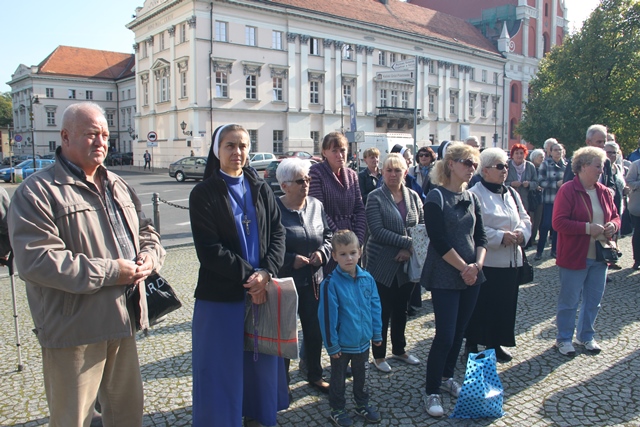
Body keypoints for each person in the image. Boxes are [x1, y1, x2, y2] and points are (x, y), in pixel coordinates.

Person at [7, 102, 166, 427]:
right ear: (65, 137)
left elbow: (147, 230)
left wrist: (151, 257)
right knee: (73, 420)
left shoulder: (117, 184)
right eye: (92, 134)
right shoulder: (37, 192)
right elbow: (37, 261)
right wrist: (113, 272)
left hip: (123, 323)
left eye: (105, 135)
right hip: (74, 332)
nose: (101, 142)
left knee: (127, 416)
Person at [189, 124, 287, 427]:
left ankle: (257, 416)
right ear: (217, 150)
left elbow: (279, 234)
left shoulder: (261, 188)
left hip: (261, 292)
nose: (237, 152)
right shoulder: (203, 193)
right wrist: (252, 277)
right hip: (221, 296)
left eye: (243, 145)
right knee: (220, 367)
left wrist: (267, 273)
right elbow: (209, 250)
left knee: (260, 364)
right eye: (230, 145)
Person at [420, 143, 487, 418]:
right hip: (445, 274)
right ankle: (431, 390)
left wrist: (476, 266)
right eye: (467, 162)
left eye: (474, 164)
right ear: (451, 164)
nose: (472, 168)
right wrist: (464, 268)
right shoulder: (435, 197)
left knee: (460, 332)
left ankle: (447, 377)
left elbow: (481, 237)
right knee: (445, 335)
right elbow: (438, 240)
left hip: (472, 274)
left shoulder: (472, 197)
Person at [465, 148, 531, 363]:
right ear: (485, 170)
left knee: (504, 305)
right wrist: (500, 237)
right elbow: (473, 228)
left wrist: (522, 233)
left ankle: (495, 343)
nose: (505, 170)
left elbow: (524, 217)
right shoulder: (475, 194)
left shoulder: (511, 192)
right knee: (481, 306)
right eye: (500, 166)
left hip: (511, 261)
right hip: (487, 262)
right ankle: (472, 343)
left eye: (506, 166)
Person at [552, 146, 620, 356]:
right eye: (597, 166)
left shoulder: (604, 191)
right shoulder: (568, 190)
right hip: (575, 255)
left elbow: (616, 216)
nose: (601, 170)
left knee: (593, 301)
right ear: (582, 166)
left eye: (602, 166)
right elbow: (558, 223)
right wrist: (588, 228)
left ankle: (586, 336)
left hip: (600, 256)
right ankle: (563, 339)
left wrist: (613, 226)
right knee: (569, 301)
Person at [275, 158, 332, 394]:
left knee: (314, 331)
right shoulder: (274, 209)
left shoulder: (316, 205)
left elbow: (328, 236)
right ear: (285, 185)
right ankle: (281, 383)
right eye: (300, 181)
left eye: (308, 179)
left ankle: (314, 374)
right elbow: (267, 246)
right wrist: (290, 260)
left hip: (313, 281)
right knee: (285, 334)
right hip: (285, 282)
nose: (306, 184)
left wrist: (323, 253)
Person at [365, 153, 424, 373]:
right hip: (382, 263)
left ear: (405, 173)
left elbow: (422, 226)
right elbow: (377, 230)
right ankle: (379, 356)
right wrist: (408, 243)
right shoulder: (375, 197)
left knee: (402, 309)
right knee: (381, 311)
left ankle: (400, 349)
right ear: (382, 172)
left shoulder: (413, 196)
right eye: (388, 170)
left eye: (397, 170)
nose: (392, 174)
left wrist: (409, 250)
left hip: (407, 264)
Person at [318, 230, 383, 427]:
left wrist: (377, 333)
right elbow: (327, 317)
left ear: (360, 252)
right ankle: (337, 409)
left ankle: (362, 404)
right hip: (342, 344)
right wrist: (332, 344)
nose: (349, 258)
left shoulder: (367, 279)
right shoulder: (330, 283)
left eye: (353, 253)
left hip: (363, 341)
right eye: (343, 254)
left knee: (362, 376)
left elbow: (375, 307)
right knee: (338, 378)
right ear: (334, 256)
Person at [309, 132, 366, 274]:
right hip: (329, 241)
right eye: (334, 151)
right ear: (324, 152)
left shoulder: (352, 175)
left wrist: (357, 240)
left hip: (352, 242)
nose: (339, 155)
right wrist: (340, 239)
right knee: (333, 283)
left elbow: (359, 209)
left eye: (342, 150)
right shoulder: (316, 172)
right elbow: (319, 211)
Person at [535, 141, 566, 261]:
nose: (558, 152)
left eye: (560, 150)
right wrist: (555, 184)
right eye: (555, 150)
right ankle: (539, 251)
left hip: (562, 201)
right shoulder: (545, 164)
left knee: (558, 227)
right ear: (551, 152)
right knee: (546, 225)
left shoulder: (566, 165)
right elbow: (540, 181)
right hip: (549, 200)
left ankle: (555, 250)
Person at [528, 149, 546, 248]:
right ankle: (529, 238)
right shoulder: (529, 168)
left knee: (538, 219)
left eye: (543, 157)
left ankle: (533, 238)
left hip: (540, 196)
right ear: (534, 157)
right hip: (530, 196)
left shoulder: (543, 168)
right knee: (531, 219)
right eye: (540, 157)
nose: (542, 159)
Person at [624, 158, 640, 269]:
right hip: (637, 206)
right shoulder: (636, 165)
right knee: (638, 233)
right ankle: (637, 259)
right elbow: (629, 181)